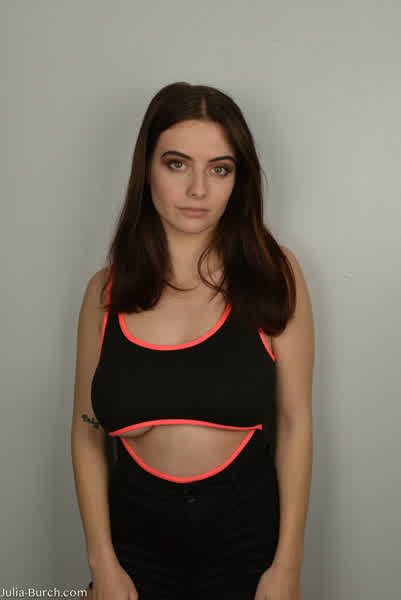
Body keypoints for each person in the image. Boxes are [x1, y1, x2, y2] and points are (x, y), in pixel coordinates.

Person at [71, 82, 314, 600]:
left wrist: (287, 566)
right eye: (177, 164)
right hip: (134, 540)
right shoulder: (105, 292)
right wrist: (102, 563)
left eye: (220, 169)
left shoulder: (273, 275)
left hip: (246, 536)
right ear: (147, 169)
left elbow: (295, 424)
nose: (198, 189)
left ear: (238, 179)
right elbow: (87, 431)